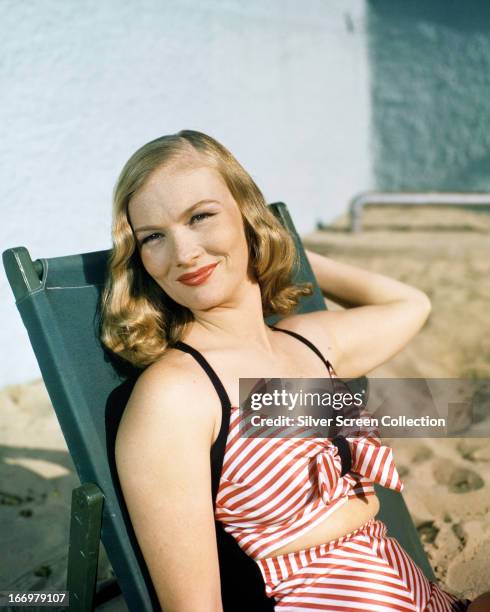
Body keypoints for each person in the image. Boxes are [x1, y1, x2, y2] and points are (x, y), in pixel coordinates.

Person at [101, 130, 489, 611]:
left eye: (201, 217)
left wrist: (282, 242)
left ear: (247, 215)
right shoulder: (178, 396)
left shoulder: (308, 342)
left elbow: (411, 304)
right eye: (153, 237)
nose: (183, 253)